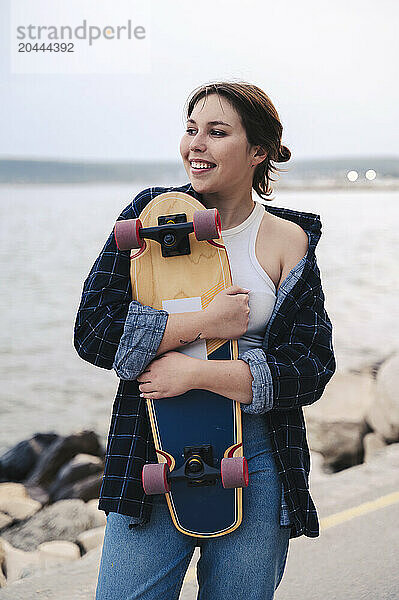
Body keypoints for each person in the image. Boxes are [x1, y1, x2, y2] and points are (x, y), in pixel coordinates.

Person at [74, 81, 336, 599]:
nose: (197, 144)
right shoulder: (149, 219)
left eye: (217, 132)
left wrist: (197, 374)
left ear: (258, 150)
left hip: (257, 455)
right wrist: (202, 325)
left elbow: (311, 366)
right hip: (152, 447)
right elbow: (93, 332)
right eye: (191, 130)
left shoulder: (288, 241)